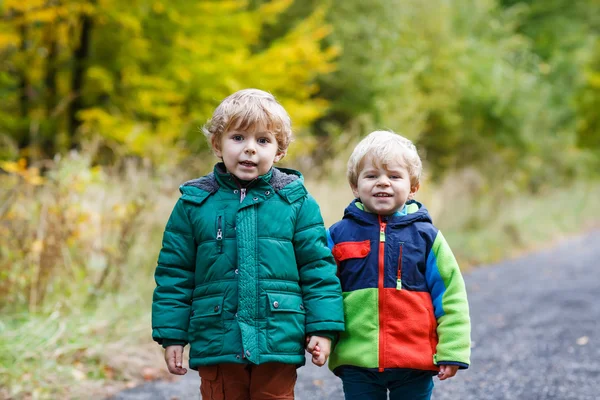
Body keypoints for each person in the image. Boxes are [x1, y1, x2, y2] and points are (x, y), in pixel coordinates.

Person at [151, 88, 344, 399]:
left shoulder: (296, 201)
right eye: (238, 138)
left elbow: (318, 270)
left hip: (277, 336)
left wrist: (323, 328)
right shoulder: (194, 203)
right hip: (217, 337)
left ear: (279, 151)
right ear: (217, 144)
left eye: (263, 140)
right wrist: (172, 335)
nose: (250, 149)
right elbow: (175, 273)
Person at [325, 130, 471, 400]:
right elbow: (322, 290)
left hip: (414, 359)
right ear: (355, 186)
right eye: (371, 176)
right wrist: (321, 334)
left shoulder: (427, 237)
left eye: (394, 176)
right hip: (357, 361)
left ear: (413, 186)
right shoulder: (337, 235)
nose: (383, 183)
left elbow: (451, 295)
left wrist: (452, 348)